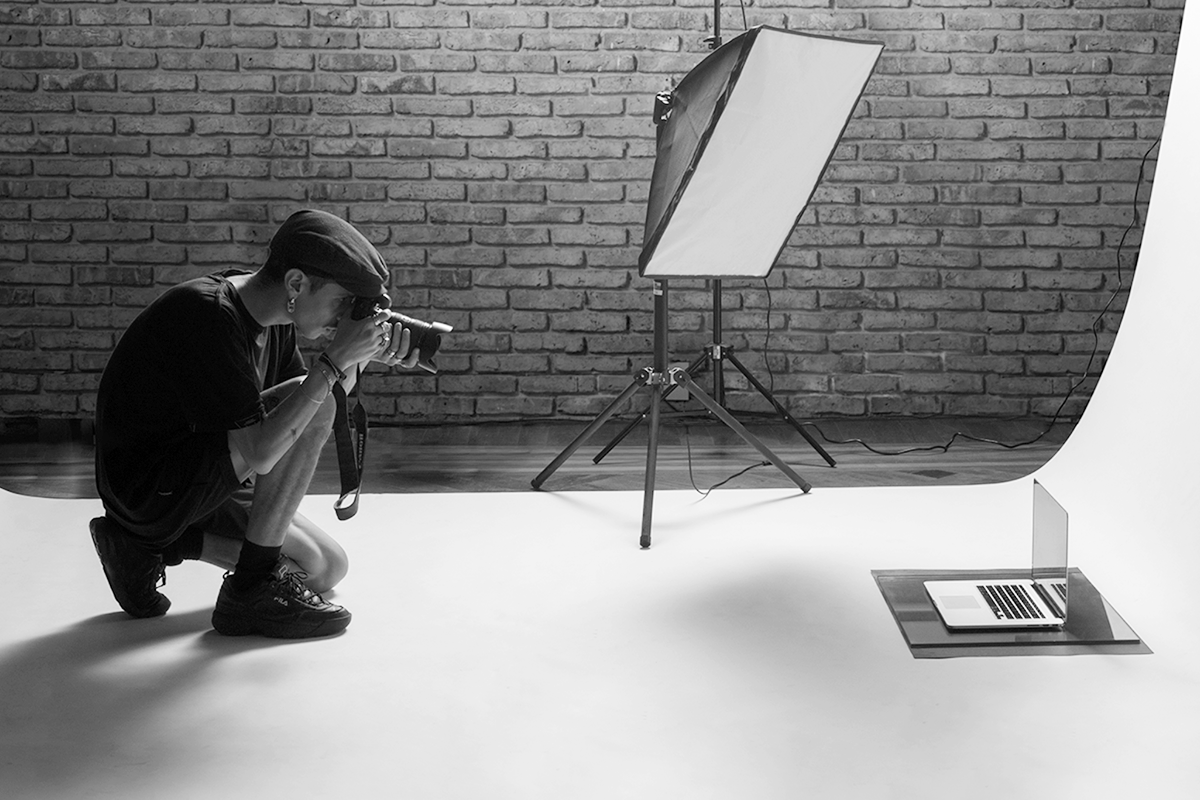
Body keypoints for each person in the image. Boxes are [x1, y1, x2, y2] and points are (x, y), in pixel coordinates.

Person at [90, 209, 418, 639]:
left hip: (211, 480)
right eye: (342, 301)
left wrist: (357, 355)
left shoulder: (276, 319)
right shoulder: (206, 314)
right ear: (296, 284)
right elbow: (267, 449)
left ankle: (154, 549)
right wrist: (336, 359)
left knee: (324, 569)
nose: (344, 316)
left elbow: (300, 420)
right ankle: (249, 589)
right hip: (150, 487)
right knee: (310, 396)